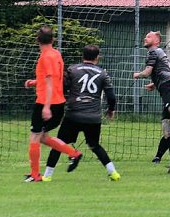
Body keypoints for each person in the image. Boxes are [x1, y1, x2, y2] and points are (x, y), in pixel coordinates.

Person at [42, 44, 121, 182]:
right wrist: (111, 110)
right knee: (95, 145)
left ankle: (47, 176)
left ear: (82, 56)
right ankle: (113, 173)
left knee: (59, 143)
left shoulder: (73, 69)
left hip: (74, 114)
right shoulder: (102, 73)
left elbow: (62, 87)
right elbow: (111, 96)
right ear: (97, 57)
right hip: (93, 117)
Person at [22, 25, 82, 183]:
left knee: (35, 136)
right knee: (42, 137)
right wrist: (35, 82)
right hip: (58, 102)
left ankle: (35, 175)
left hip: (45, 103)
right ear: (53, 39)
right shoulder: (56, 54)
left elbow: (49, 82)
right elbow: (54, 78)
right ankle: (73, 153)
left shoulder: (46, 57)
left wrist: (47, 107)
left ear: (37, 40)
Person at [134, 31, 170, 173]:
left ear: (157, 41)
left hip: (169, 90)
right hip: (168, 89)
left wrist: (137, 75)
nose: (145, 38)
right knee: (168, 132)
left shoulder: (154, 52)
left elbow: (148, 72)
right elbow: (166, 72)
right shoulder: (159, 53)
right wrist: (155, 84)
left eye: (149, 36)